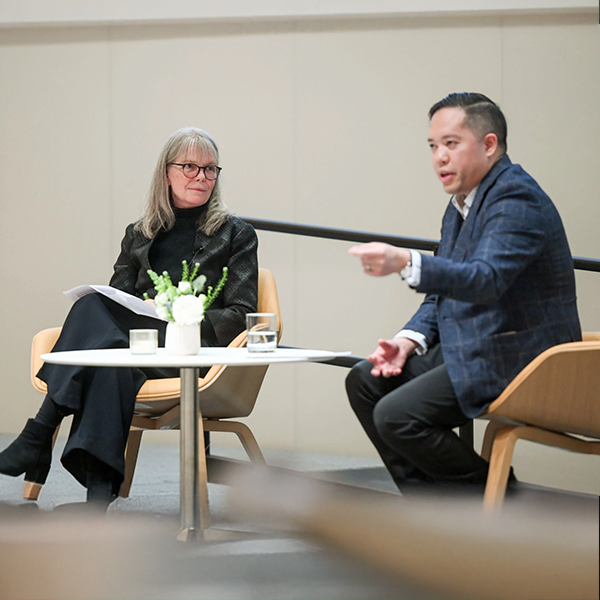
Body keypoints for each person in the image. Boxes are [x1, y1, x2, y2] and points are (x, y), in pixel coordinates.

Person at [0, 127, 258, 508]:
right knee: (109, 353)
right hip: (138, 352)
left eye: (210, 169)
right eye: (189, 167)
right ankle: (97, 501)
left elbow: (241, 315)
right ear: (166, 173)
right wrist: (143, 312)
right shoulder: (139, 234)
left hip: (190, 354)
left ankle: (39, 433)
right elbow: (115, 304)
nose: (201, 177)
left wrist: (179, 317)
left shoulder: (235, 234)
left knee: (93, 319)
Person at [347, 92, 581, 495]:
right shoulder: (461, 204)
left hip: (522, 358)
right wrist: (408, 341)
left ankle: (499, 500)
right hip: (475, 346)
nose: (439, 157)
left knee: (397, 415)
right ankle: (435, 512)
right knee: (365, 381)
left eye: (451, 144)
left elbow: (484, 279)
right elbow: (443, 292)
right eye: (433, 146)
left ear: (489, 145)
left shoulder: (515, 198)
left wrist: (405, 261)